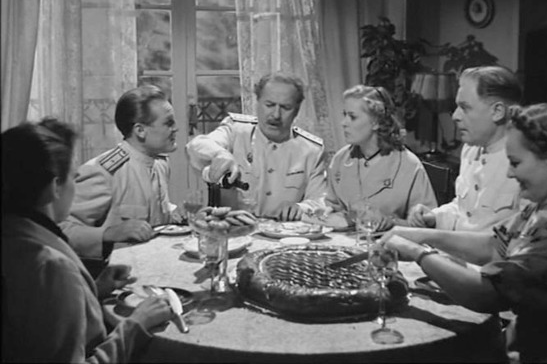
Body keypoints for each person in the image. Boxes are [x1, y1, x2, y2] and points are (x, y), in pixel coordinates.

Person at [379, 103, 547, 363]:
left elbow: (487, 294)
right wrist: (423, 235)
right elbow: (494, 246)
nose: (509, 173)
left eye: (516, 163)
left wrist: (417, 252)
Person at [2, 118, 174, 363]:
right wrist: (137, 325)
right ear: (54, 188)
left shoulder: (13, 235)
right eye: (73, 177)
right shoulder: (50, 266)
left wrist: (93, 289)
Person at [60, 85, 179, 268]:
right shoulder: (103, 172)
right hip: (117, 277)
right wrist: (108, 233)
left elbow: (156, 215)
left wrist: (189, 218)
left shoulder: (160, 164)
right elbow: (61, 230)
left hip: (156, 267)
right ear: (140, 130)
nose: (176, 128)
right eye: (168, 123)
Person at [186, 72, 327, 220]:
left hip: (285, 231)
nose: (276, 115)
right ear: (257, 102)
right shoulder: (235, 130)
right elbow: (196, 145)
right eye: (269, 105)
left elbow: (320, 199)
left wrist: (302, 208)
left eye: (286, 107)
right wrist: (220, 154)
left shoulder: (312, 150)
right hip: (235, 229)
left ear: (297, 110)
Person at [299, 84, 437, 231]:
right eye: (344, 115)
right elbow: (332, 206)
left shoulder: (408, 165)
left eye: (352, 117)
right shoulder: (341, 159)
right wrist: (325, 212)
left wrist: (392, 222)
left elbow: (427, 225)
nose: (343, 123)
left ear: (376, 122)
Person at [408, 65, 524, 231]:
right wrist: (433, 217)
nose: (455, 116)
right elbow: (463, 210)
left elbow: (513, 239)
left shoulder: (525, 162)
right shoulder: (471, 150)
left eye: (465, 107)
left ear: (497, 111)